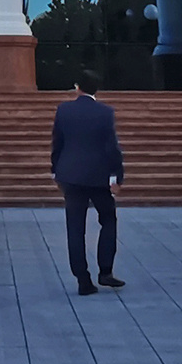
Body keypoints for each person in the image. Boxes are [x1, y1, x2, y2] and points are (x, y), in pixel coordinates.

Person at [51, 72, 126, 295]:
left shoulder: (64, 110)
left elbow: (58, 143)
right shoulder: (105, 112)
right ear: (97, 89)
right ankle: (106, 271)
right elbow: (111, 147)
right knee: (108, 220)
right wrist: (116, 176)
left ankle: (82, 279)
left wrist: (56, 171)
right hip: (98, 177)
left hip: (71, 176)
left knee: (75, 228)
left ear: (78, 87)